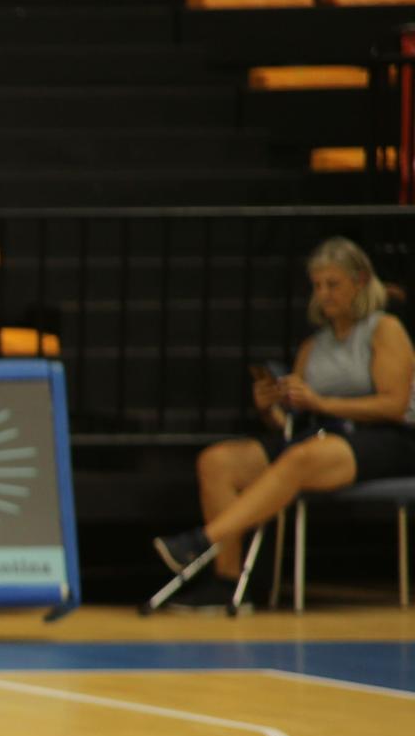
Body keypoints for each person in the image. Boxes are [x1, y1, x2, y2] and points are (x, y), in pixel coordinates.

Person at [153, 237, 415, 608]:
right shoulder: (314, 346)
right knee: (219, 461)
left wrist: (322, 402)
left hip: (386, 439)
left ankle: (202, 540)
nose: (323, 294)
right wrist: (270, 409)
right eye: (318, 285)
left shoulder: (384, 329)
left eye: (333, 284)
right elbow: (291, 422)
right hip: (322, 436)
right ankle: (227, 583)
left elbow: (394, 404)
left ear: (359, 281)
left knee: (301, 457)